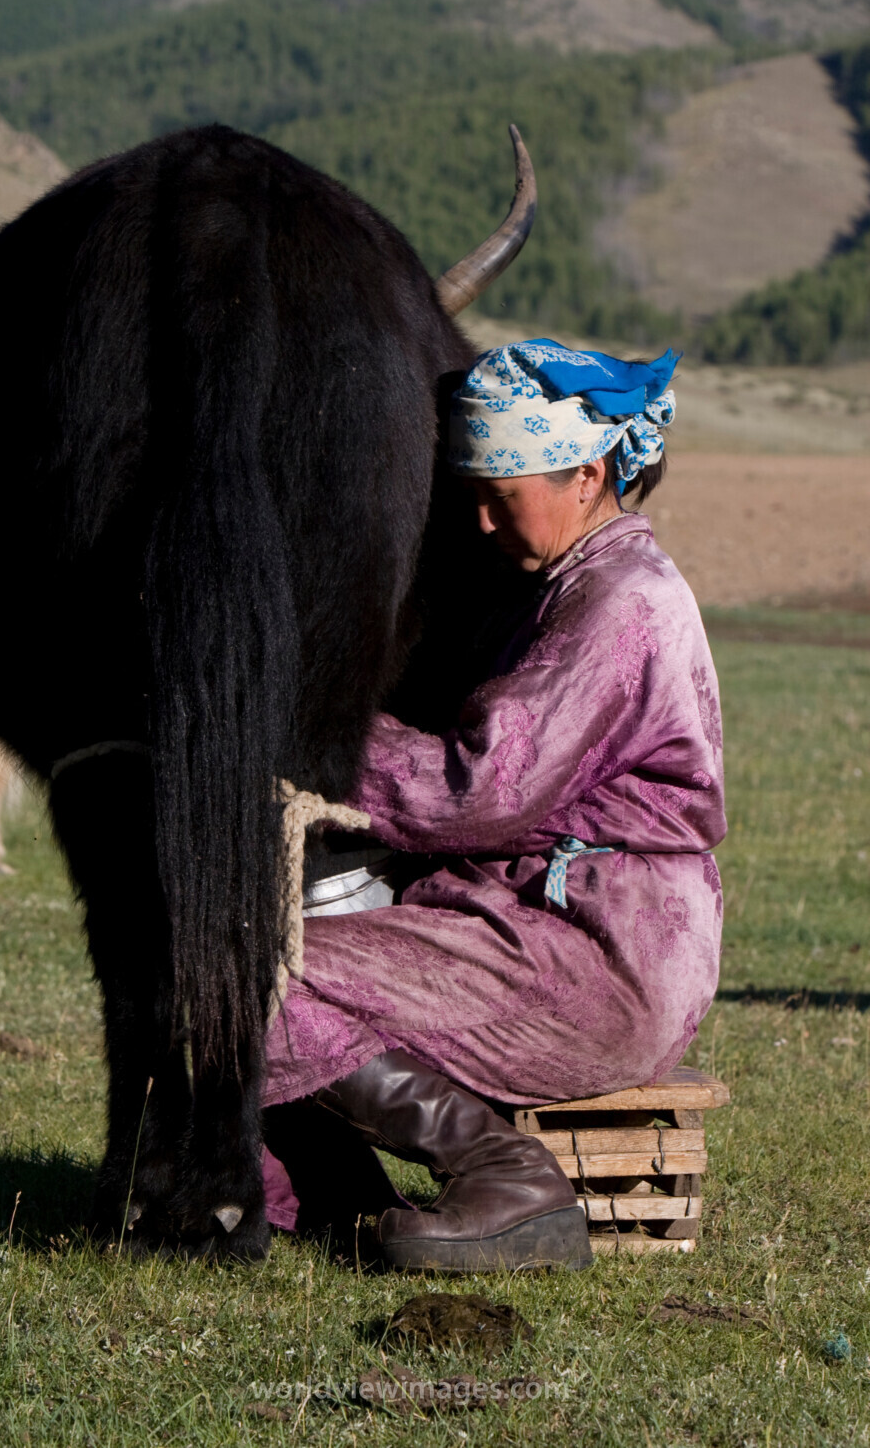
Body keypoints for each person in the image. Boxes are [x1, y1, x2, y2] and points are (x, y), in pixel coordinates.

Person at [262, 338, 726, 1273]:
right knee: (235, 961)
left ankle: (508, 1180)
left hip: (596, 954)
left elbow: (480, 791)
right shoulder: (557, 588)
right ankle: (339, 1202)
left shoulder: (621, 604)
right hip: (545, 927)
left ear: (588, 474)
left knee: (254, 980)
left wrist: (316, 747)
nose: (477, 521)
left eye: (499, 493)